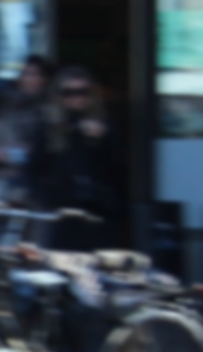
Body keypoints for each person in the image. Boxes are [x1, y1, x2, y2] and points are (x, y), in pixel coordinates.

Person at [24, 66, 127, 251]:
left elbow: (119, 170)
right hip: (61, 215)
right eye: (69, 93)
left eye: (83, 92)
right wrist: (49, 199)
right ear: (59, 95)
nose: (77, 98)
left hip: (97, 213)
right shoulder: (48, 127)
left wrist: (103, 139)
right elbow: (32, 171)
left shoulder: (105, 125)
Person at [0, 56, 54, 203]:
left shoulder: (51, 111)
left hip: (37, 188)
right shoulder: (6, 107)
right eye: (25, 73)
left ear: (43, 79)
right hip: (4, 185)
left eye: (33, 74)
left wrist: (29, 153)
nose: (28, 79)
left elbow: (53, 152)